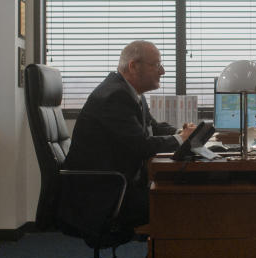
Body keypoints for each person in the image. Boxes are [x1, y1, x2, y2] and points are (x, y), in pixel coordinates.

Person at [63, 40, 197, 232]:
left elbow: (153, 127)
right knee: (179, 203)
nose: (163, 71)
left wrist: (180, 132)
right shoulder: (114, 96)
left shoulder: (130, 92)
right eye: (157, 65)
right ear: (133, 66)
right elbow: (142, 146)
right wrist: (183, 139)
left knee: (179, 195)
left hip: (117, 186)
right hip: (102, 194)